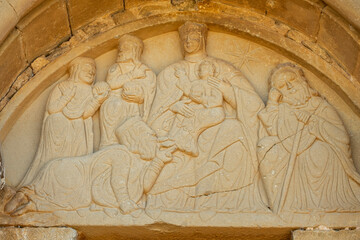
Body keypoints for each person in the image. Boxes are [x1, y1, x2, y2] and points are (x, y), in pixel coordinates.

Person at [146, 21, 268, 215]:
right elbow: (155, 117)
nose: (188, 41)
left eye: (193, 37)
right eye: (185, 37)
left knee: (235, 131)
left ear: (202, 40)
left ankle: (224, 198)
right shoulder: (170, 74)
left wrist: (226, 89)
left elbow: (254, 106)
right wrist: (174, 106)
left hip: (215, 126)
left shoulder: (223, 69)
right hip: (179, 128)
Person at [257, 63, 360, 213]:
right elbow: (270, 125)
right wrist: (272, 102)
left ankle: (323, 205)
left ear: (302, 81)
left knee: (319, 152)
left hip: (320, 154)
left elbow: (342, 138)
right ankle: (284, 206)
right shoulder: (283, 110)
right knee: (267, 148)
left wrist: (313, 121)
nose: (290, 87)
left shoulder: (318, 105)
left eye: (292, 80)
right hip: (289, 150)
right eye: (283, 86)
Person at [17, 57, 109, 188]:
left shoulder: (90, 91)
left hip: (78, 130)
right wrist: (67, 97)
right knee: (56, 119)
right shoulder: (63, 86)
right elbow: (52, 109)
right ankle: (51, 177)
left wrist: (97, 101)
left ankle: (72, 180)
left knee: (78, 128)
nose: (91, 73)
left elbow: (86, 114)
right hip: (58, 130)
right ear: (76, 70)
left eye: (93, 71)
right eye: (87, 69)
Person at [99, 34, 156, 159]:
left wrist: (140, 97)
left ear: (135, 51)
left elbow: (149, 90)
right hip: (114, 102)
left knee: (130, 112)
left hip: (135, 105)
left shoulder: (145, 70)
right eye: (120, 48)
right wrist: (132, 75)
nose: (121, 51)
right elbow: (111, 84)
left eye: (125, 48)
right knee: (113, 105)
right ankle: (110, 142)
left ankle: (132, 145)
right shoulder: (115, 67)